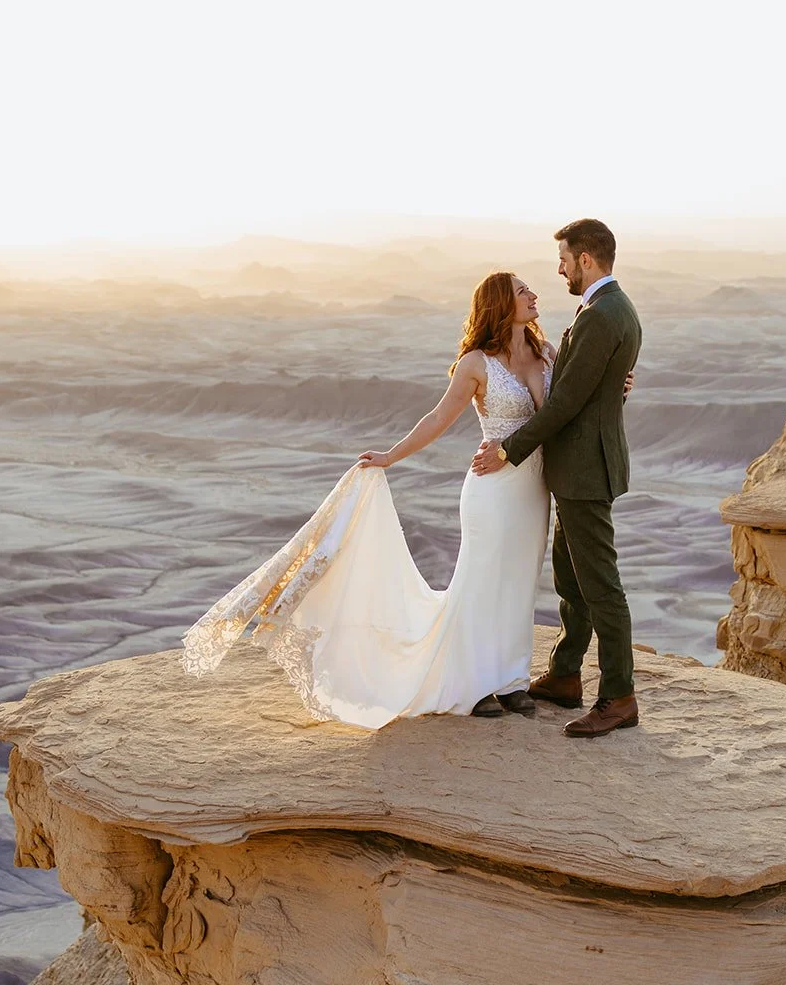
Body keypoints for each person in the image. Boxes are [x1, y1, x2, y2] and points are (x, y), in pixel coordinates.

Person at [181, 271, 555, 727]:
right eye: (522, 291)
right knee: (480, 582)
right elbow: (439, 416)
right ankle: (473, 682)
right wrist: (391, 456)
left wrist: (620, 386)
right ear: (500, 304)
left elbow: (568, 405)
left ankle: (512, 678)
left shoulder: (545, 352)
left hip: (534, 490)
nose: (533, 295)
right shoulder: (477, 362)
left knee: (519, 579)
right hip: (492, 490)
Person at [472, 218, 642, 738]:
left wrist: (511, 449)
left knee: (600, 587)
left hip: (586, 470)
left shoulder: (602, 315)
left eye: (564, 259)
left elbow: (565, 402)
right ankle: (566, 674)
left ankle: (618, 697)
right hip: (578, 469)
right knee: (571, 580)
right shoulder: (608, 309)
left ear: (586, 259)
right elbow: (591, 386)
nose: (560, 269)